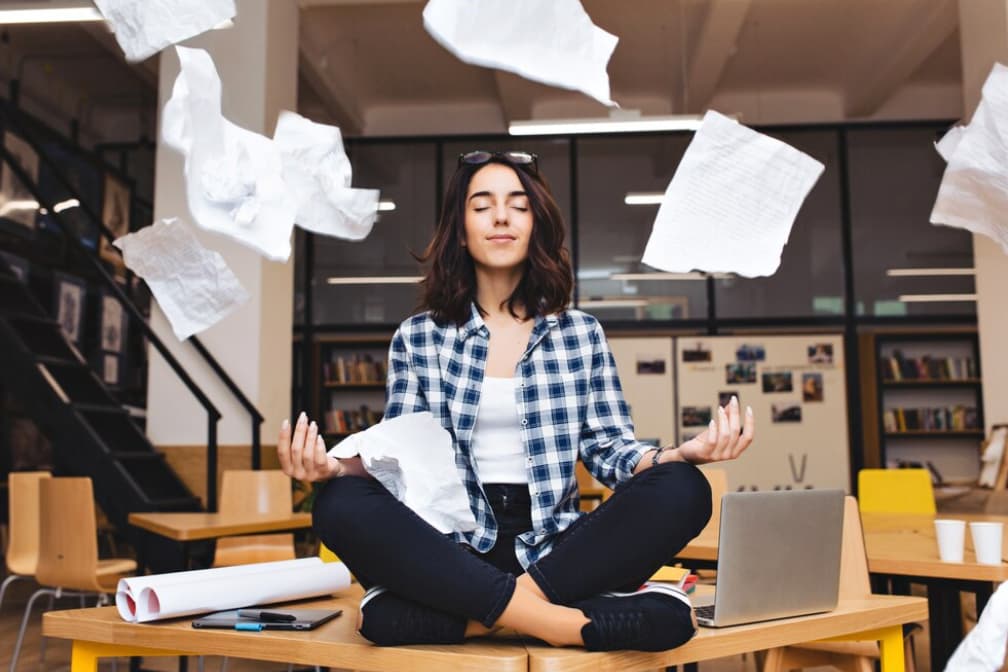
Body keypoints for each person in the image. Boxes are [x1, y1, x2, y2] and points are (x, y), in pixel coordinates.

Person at [277, 150, 755, 651]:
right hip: (451, 549)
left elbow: (610, 450)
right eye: (482, 205)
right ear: (461, 230)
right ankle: (562, 625)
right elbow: (403, 463)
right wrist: (331, 470)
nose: (501, 216)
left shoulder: (579, 334)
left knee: (684, 487)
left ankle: (489, 613)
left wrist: (681, 455)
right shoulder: (418, 337)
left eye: (517, 205)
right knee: (338, 503)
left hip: (557, 554)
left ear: (536, 225)